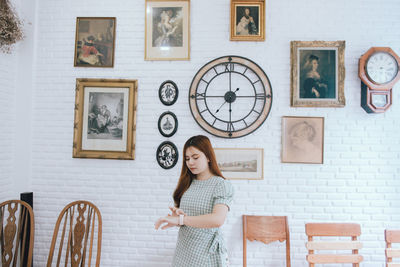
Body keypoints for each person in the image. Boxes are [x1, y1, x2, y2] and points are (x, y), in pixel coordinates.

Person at [154, 135, 234, 267]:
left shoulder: (221, 185)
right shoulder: (188, 183)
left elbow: (217, 220)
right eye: (187, 159)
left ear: (208, 157)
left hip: (206, 253)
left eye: (195, 157)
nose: (190, 162)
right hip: (184, 250)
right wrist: (179, 218)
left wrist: (182, 220)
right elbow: (190, 219)